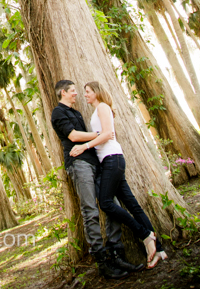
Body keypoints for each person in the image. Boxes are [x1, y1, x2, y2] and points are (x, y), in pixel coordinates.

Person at [70, 81, 168, 269]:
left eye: (88, 92)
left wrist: (84, 145)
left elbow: (107, 134)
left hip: (112, 159)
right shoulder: (97, 111)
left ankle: (145, 235)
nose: (85, 95)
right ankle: (159, 249)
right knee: (132, 205)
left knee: (106, 202)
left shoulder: (103, 107)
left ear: (97, 93)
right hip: (110, 160)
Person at [51, 80, 143, 279]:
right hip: (79, 163)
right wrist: (99, 134)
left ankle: (115, 251)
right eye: (73, 91)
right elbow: (74, 136)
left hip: (95, 163)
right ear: (63, 92)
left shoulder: (76, 113)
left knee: (111, 203)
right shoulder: (58, 113)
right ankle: (102, 262)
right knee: (90, 210)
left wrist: (93, 142)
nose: (77, 94)